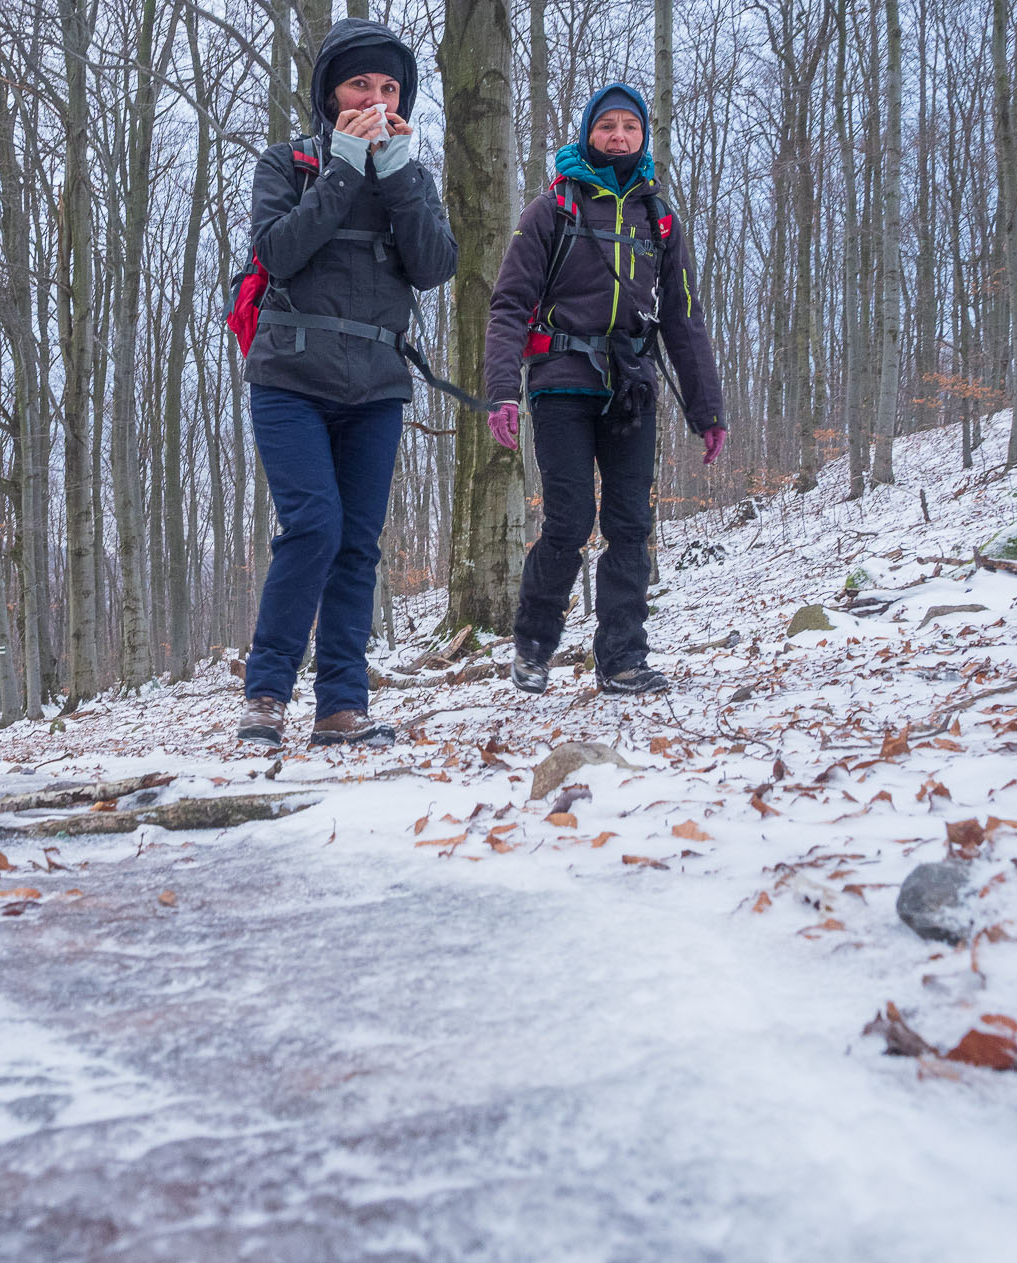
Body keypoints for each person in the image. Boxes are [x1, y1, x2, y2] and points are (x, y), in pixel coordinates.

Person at [235, 19, 458, 747]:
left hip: (377, 387)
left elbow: (433, 265)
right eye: (361, 83)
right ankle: (266, 694)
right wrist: (340, 165)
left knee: (358, 544)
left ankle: (341, 706)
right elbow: (279, 250)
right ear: (331, 94)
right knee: (314, 526)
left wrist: (393, 174)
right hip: (289, 377)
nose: (377, 97)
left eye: (390, 87)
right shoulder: (287, 163)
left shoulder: (410, 176)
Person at [482, 83, 727, 697]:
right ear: (588, 132)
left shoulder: (659, 219)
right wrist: (503, 391)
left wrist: (708, 411)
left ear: (643, 137)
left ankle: (622, 659)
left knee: (630, 523)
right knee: (568, 520)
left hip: (632, 388)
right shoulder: (551, 210)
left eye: (631, 127)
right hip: (562, 385)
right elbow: (509, 306)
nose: (619, 136)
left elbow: (684, 318)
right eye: (607, 126)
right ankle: (534, 645)